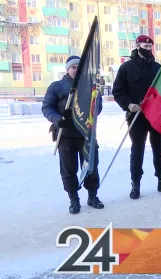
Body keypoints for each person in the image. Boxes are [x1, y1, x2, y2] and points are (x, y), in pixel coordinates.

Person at [112, 34, 161, 199]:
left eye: (149, 47)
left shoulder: (158, 68)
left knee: (158, 149)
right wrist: (129, 104)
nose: (147, 50)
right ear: (137, 46)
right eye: (144, 47)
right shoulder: (127, 68)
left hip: (155, 115)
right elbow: (117, 91)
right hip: (136, 115)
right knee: (137, 150)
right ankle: (135, 184)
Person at [42, 56, 104, 214]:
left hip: (86, 134)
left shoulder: (90, 86)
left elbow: (98, 108)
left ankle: (92, 196)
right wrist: (58, 119)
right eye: (73, 67)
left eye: (78, 67)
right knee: (69, 170)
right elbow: (47, 107)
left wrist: (94, 103)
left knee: (90, 167)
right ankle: (74, 199)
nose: (76, 69)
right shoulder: (57, 87)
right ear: (67, 69)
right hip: (66, 136)